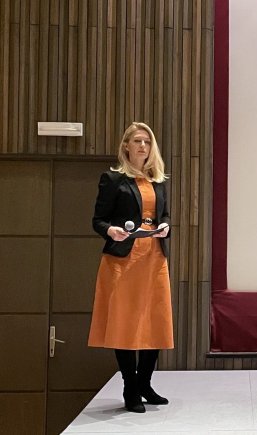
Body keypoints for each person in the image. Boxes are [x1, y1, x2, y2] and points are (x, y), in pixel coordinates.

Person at [88, 122, 174, 413]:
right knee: (125, 322)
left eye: (147, 142)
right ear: (126, 145)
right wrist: (110, 230)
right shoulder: (113, 179)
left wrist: (165, 227)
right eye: (137, 141)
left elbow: (163, 216)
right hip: (123, 259)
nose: (143, 146)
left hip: (154, 257)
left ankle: (145, 383)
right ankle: (130, 387)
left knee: (155, 320)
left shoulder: (157, 180)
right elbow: (98, 220)